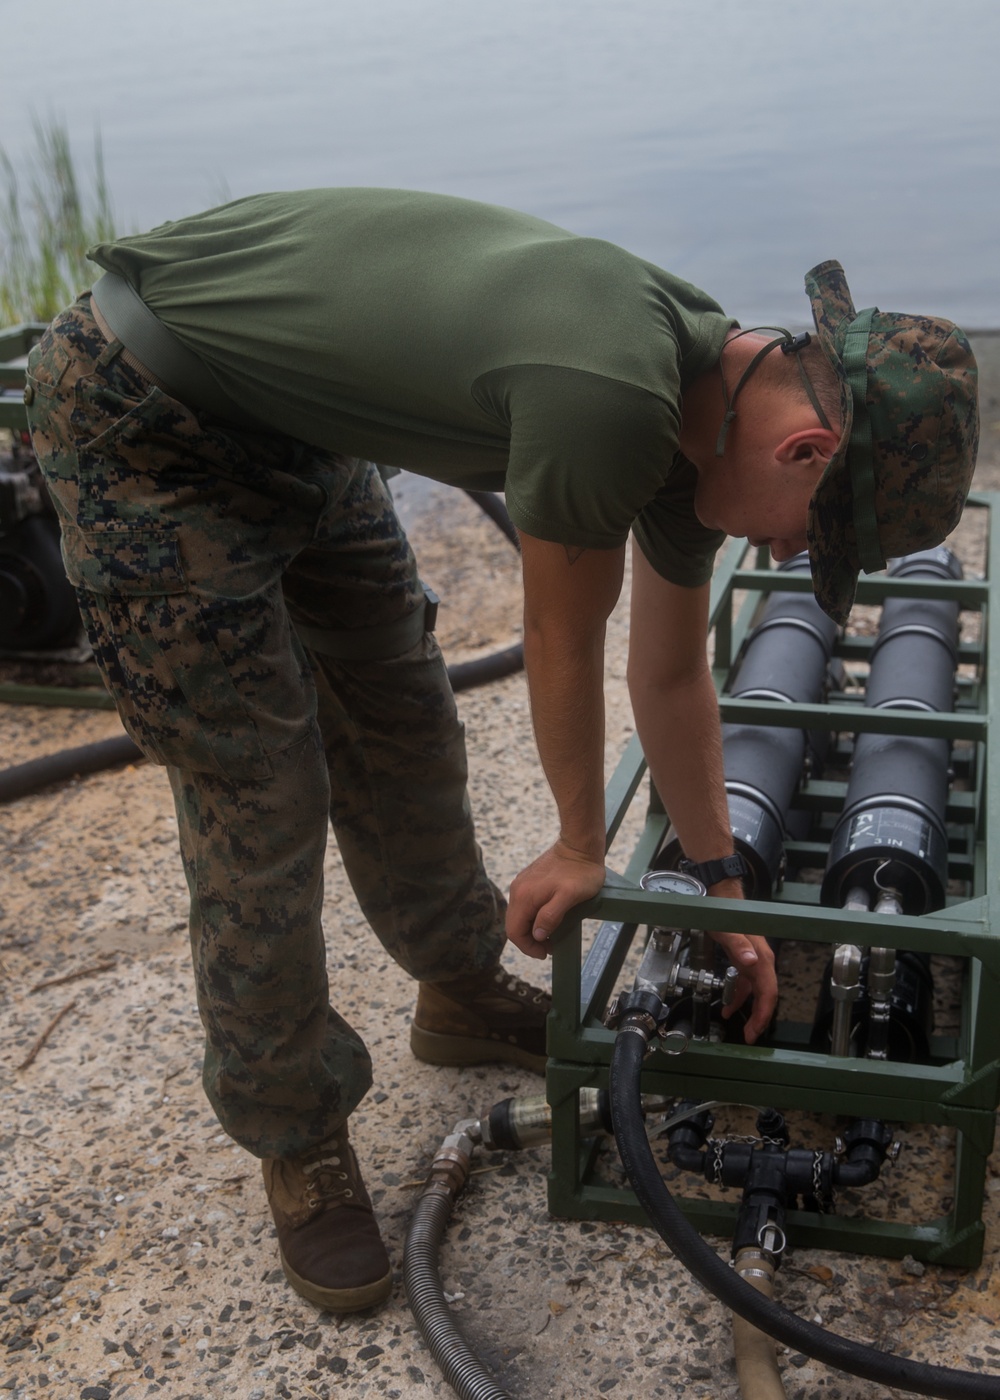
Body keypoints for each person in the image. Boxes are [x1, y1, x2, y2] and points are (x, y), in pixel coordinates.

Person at [23, 188, 979, 1316]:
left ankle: (457, 984)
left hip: (295, 427)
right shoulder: (613, 392)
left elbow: (667, 675)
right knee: (260, 780)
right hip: (146, 410)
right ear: (804, 445)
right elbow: (560, 635)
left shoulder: (707, 415)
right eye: (802, 533)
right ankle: (297, 1127)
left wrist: (722, 879)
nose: (777, 551)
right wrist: (581, 844)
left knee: (404, 709)